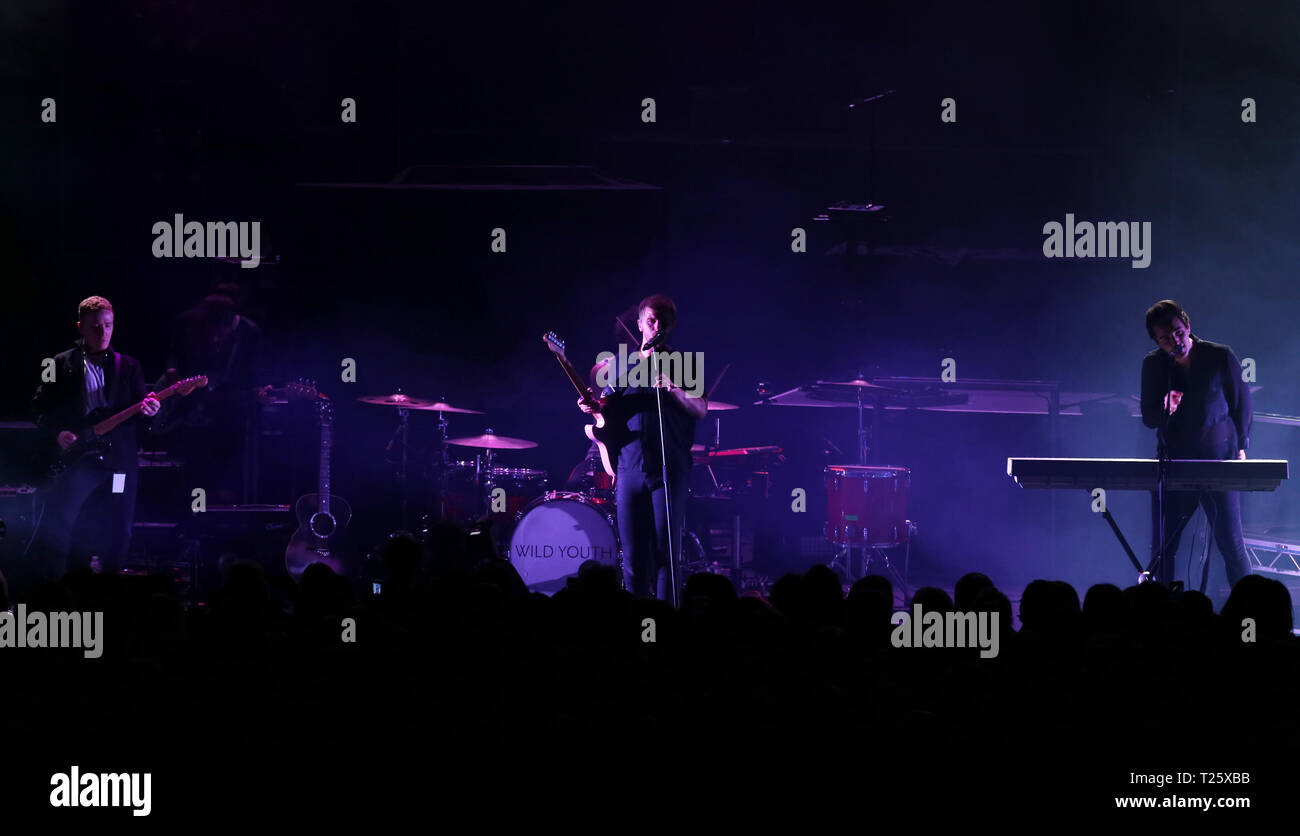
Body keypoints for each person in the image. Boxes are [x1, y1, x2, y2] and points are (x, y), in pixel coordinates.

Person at [578, 295, 706, 600]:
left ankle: (667, 622)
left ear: (674, 325)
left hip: (670, 468)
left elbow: (700, 409)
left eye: (664, 321)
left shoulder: (685, 363)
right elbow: (605, 408)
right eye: (651, 320)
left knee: (666, 554)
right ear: (639, 324)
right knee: (634, 557)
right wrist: (591, 406)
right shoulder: (619, 364)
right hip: (629, 468)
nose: (657, 327)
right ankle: (637, 621)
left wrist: (674, 388)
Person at [31, 296, 160, 580]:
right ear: (81, 327)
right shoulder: (58, 364)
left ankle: (111, 579)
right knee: (64, 517)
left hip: (119, 462)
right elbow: (39, 409)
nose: (103, 333)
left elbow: (140, 415)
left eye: (108, 325)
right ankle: (59, 582)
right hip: (81, 457)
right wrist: (57, 433)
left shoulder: (129, 366)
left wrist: (150, 412)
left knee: (119, 519)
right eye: (95, 327)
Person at [1140, 299, 1252, 589]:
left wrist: (1241, 446)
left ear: (1187, 325)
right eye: (1165, 339)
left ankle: (1250, 610)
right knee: (1164, 549)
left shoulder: (1220, 356)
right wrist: (1165, 406)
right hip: (1174, 465)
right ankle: (1162, 614)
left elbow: (1242, 404)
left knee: (1232, 547)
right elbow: (1149, 418)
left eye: (1178, 332)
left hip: (1219, 464)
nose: (1175, 341)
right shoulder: (1153, 365)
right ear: (1157, 341)